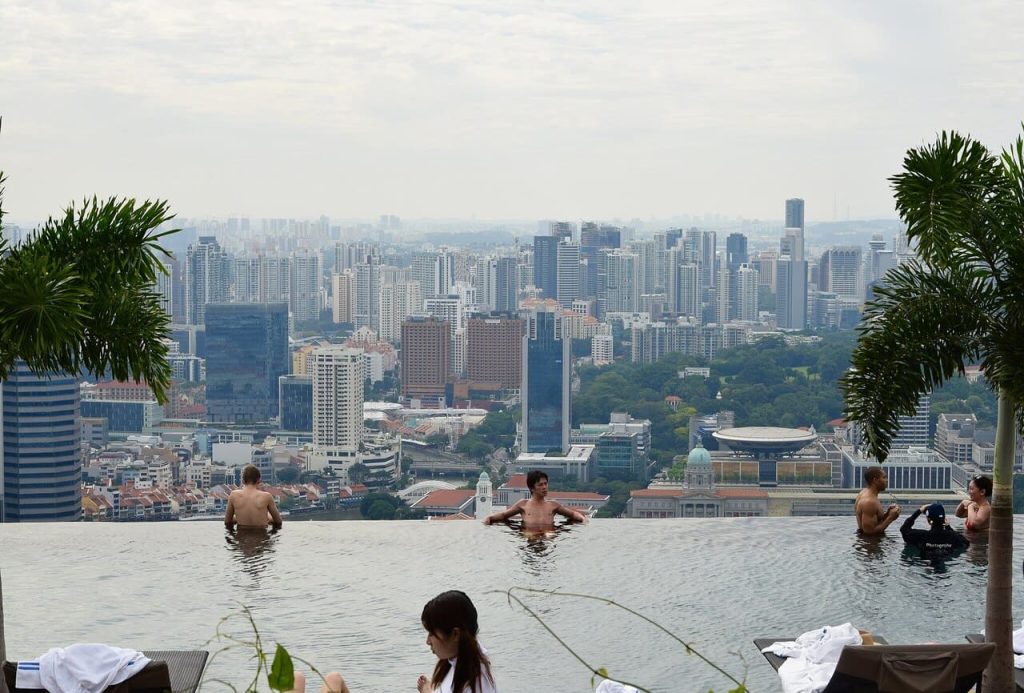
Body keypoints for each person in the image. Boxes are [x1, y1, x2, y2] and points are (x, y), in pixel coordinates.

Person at [287, 591, 496, 693]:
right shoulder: (470, 658)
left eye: (432, 633)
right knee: (330, 679)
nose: (428, 641)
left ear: (456, 634)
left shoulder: (472, 679)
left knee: (299, 680)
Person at [483, 470, 587, 530]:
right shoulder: (523, 504)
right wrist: (489, 517)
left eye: (546, 484)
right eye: (540, 485)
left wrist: (582, 519)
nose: (544, 487)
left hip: (548, 536)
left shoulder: (553, 505)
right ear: (532, 488)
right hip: (529, 536)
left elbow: (572, 514)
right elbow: (504, 515)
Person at [224, 464, 283, 530]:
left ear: (243, 480)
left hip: (241, 537)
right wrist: (266, 517)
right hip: (262, 537)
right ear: (259, 480)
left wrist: (239, 517)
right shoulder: (267, 496)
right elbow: (278, 521)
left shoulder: (233, 495)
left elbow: (227, 521)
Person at [900, 502, 969, 556]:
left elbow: (904, 529)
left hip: (926, 563)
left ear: (929, 520)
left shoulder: (921, 536)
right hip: (946, 560)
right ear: (944, 519)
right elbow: (966, 543)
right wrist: (948, 527)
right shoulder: (953, 536)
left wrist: (919, 511)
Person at [854, 466, 900, 535]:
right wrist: (890, 518)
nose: (886, 480)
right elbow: (869, 532)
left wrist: (888, 513)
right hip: (870, 544)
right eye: (884, 477)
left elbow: (875, 521)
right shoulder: (869, 502)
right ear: (875, 480)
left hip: (868, 542)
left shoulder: (864, 493)